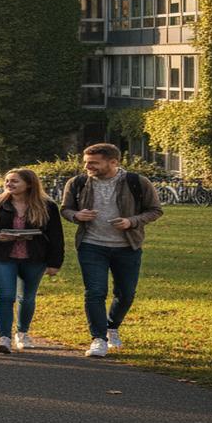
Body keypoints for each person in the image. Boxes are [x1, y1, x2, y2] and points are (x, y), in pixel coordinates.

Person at [61, 143, 162, 358]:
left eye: (94, 163)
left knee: (126, 293)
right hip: (91, 245)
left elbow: (155, 210)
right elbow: (65, 209)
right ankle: (98, 338)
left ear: (113, 162)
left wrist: (131, 221)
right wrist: (76, 216)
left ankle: (112, 327)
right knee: (95, 292)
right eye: (86, 162)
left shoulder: (137, 182)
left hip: (127, 246)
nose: (88, 166)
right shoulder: (77, 183)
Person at [0, 168, 65, 354]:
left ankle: (22, 333)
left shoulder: (47, 206)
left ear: (29, 184)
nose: (9, 185)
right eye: (7, 181)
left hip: (34, 257)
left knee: (27, 297)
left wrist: (54, 263)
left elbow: (56, 236)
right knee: (5, 297)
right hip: (1, 256)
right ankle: (4, 337)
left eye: (15, 181)